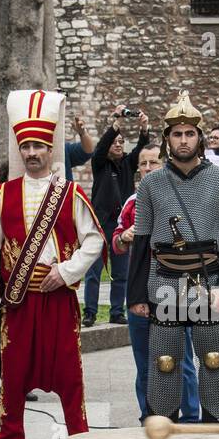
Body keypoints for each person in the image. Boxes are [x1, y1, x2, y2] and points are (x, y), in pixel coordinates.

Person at [0, 90, 105, 439]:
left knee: (68, 372)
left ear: (51, 150)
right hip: (18, 301)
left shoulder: (71, 193)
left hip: (58, 299)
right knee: (13, 375)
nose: (32, 152)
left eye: (39, 146)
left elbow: (94, 240)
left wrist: (65, 272)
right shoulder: (4, 193)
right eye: (26, 146)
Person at [127, 91, 219, 423]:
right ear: (167, 139)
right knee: (165, 362)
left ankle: (218, 436)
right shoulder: (151, 184)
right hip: (165, 281)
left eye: (190, 133)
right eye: (177, 134)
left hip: (209, 282)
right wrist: (136, 295)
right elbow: (143, 240)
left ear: (200, 137)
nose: (183, 140)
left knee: (214, 360)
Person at [113, 142, 200, 423]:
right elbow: (115, 243)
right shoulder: (131, 203)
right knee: (146, 363)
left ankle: (189, 418)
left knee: (181, 360)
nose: (148, 168)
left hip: (175, 291)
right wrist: (125, 237)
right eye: (143, 163)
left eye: (154, 163)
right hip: (139, 291)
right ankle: (150, 417)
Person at [82, 107, 149, 327]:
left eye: (121, 142)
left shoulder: (128, 164)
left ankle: (116, 311)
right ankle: (90, 312)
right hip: (101, 223)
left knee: (121, 271)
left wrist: (144, 129)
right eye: (115, 142)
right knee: (94, 271)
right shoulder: (100, 163)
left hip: (122, 225)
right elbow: (101, 146)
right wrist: (117, 121)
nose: (119, 145)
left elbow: (141, 149)